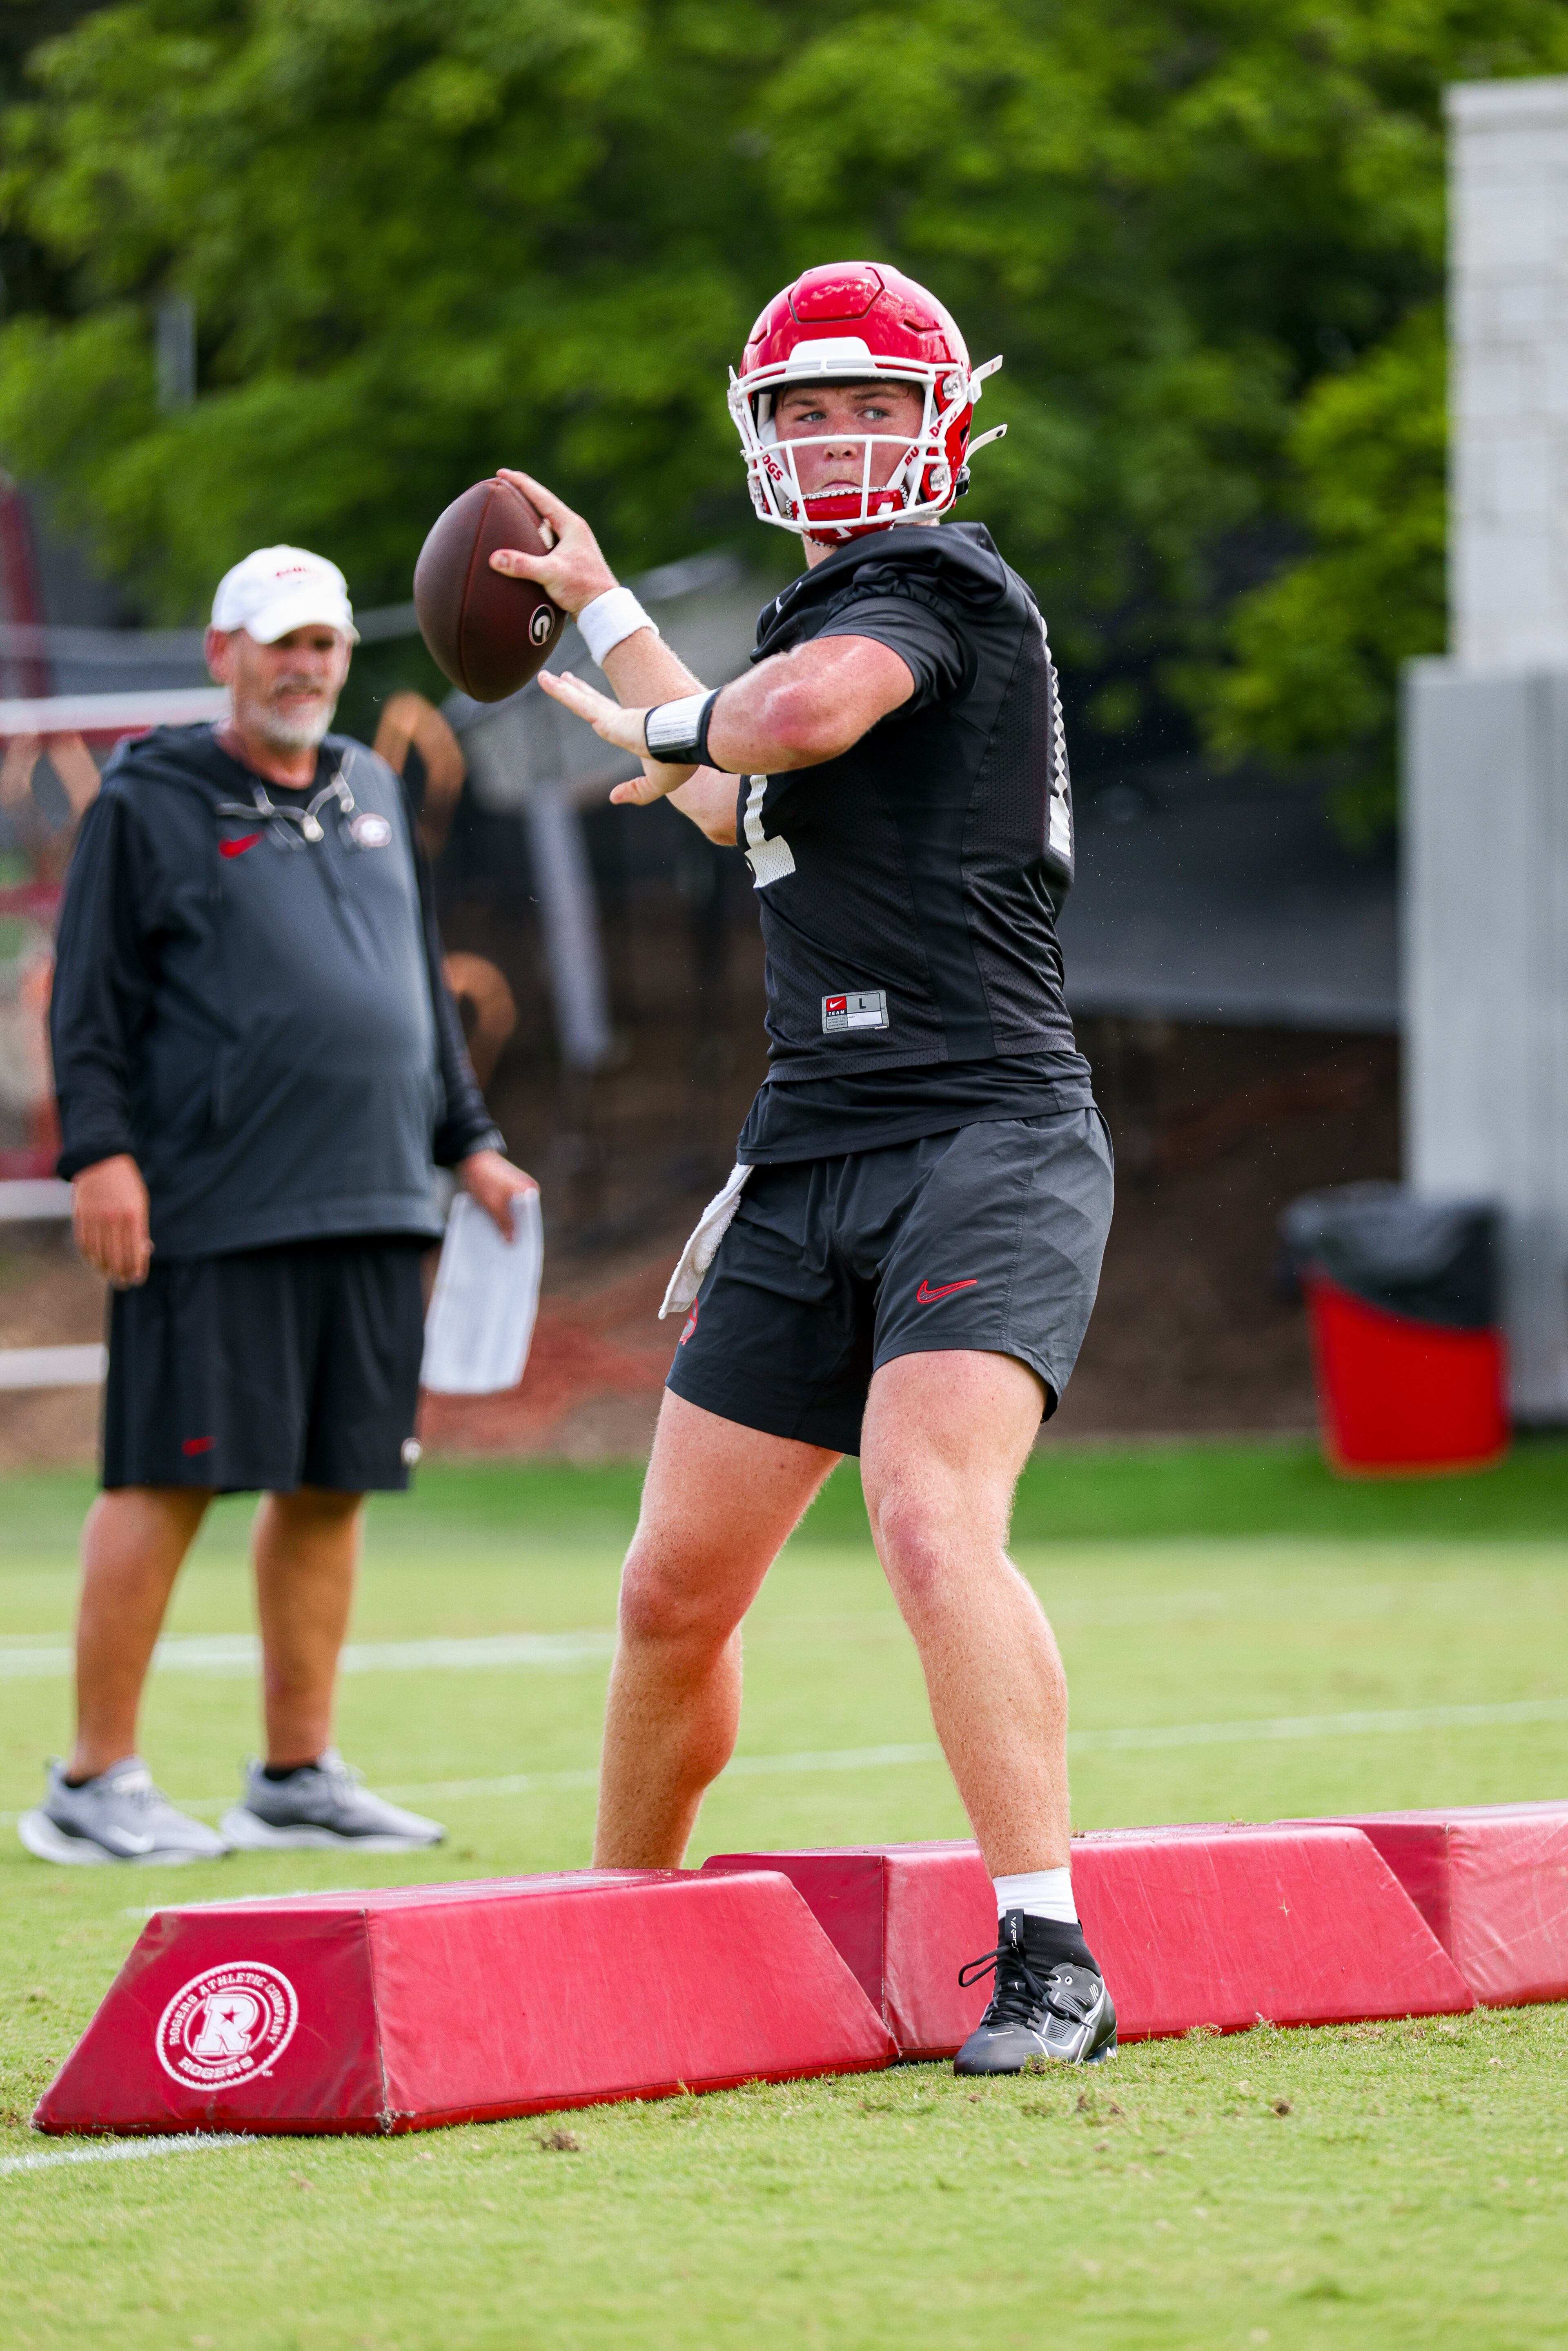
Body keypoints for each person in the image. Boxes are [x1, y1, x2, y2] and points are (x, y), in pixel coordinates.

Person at [490, 261, 1116, 2070]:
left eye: (873, 404)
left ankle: (1050, 1950)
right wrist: (610, 614)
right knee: (672, 1589)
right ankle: (621, 1929)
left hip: (983, 1130)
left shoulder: (935, 583)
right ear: (761, 434)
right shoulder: (828, 609)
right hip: (813, 1147)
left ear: (946, 427)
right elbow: (733, 783)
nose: (839, 437)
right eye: (807, 409)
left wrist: (681, 720)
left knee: (928, 1514)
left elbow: (789, 721)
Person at [19, 544, 535, 1867]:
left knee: (331, 1486)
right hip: (211, 1203)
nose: (304, 667)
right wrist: (100, 1154)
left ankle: (297, 1775)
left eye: (324, 645)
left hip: (376, 1197)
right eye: (280, 643)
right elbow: (88, 998)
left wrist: (471, 1145)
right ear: (223, 654)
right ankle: (91, 1782)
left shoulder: (370, 784)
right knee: (166, 1477)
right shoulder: (147, 800)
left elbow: (416, 989)